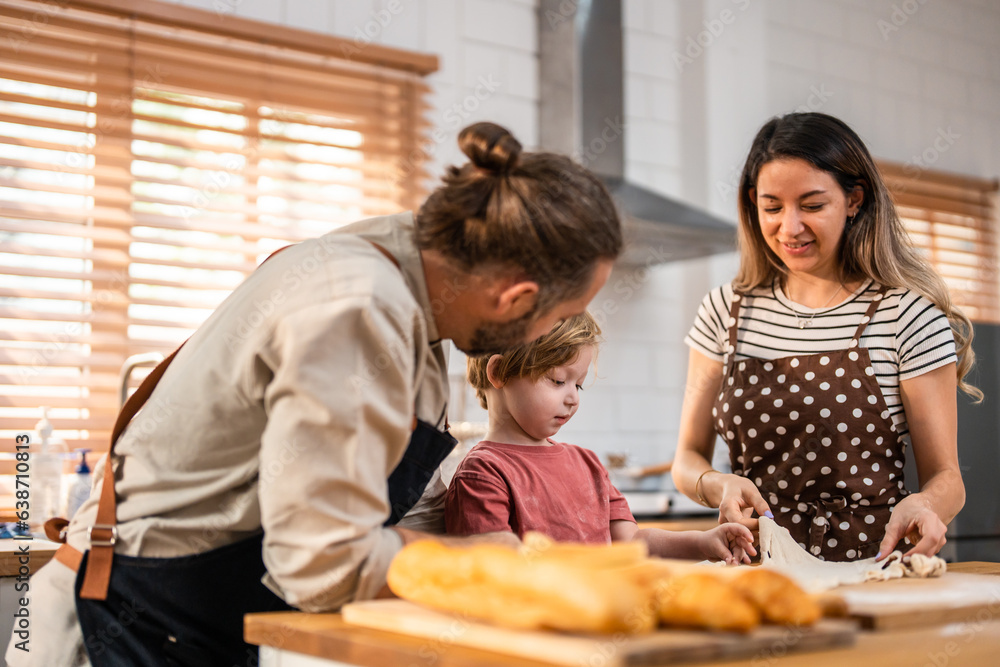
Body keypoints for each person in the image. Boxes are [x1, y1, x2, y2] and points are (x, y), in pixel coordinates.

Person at [18, 122, 623, 667]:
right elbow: (323, 564)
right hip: (131, 621)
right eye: (560, 315)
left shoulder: (420, 299)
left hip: (206, 616)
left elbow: (384, 511)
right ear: (515, 298)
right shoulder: (357, 307)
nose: (550, 336)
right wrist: (482, 568)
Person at [672, 112, 979, 564]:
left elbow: (948, 478)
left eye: (812, 206)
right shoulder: (725, 311)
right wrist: (719, 483)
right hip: (757, 566)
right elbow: (687, 459)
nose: (790, 227)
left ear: (854, 200)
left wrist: (926, 504)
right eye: (772, 207)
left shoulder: (906, 315)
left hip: (871, 567)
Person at [446, 312, 756, 563]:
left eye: (578, 385)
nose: (572, 398)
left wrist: (702, 543)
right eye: (557, 380)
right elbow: (491, 569)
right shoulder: (483, 473)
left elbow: (633, 542)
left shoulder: (587, 463)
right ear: (499, 372)